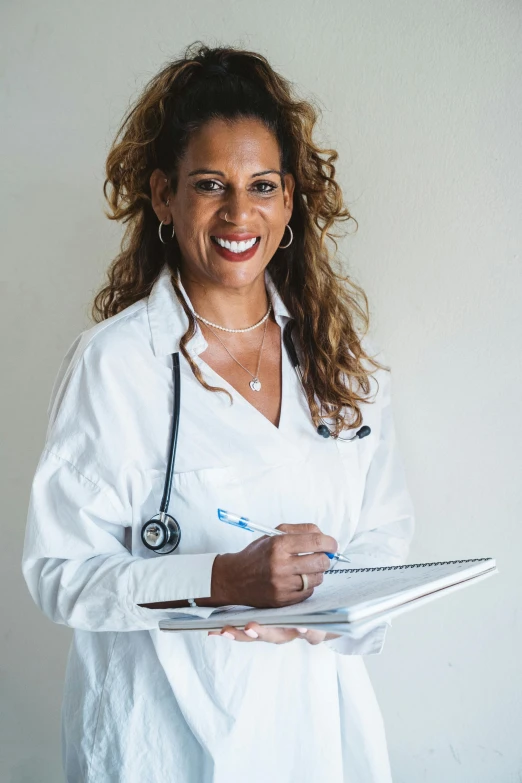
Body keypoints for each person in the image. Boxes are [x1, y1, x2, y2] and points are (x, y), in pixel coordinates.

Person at [22, 41, 415, 783]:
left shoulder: (341, 362)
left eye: (262, 184)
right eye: (211, 184)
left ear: (291, 198)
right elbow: (61, 571)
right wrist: (221, 578)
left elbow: (386, 537)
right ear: (165, 196)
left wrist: (328, 595)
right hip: (161, 743)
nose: (240, 212)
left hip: (314, 735)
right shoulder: (117, 365)